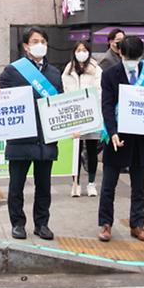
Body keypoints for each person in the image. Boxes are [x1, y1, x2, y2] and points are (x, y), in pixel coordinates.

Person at [0, 27, 63, 240]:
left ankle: (42, 224)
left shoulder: (54, 73)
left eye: (43, 41)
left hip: (45, 139)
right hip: (20, 138)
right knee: (16, 186)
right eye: (35, 41)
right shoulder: (13, 70)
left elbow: (61, 102)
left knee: (44, 187)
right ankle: (18, 224)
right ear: (26, 46)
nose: (40, 45)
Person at [98, 36, 144, 243]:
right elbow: (106, 106)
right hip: (116, 137)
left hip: (140, 138)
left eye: (136, 57)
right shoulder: (109, 74)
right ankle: (106, 224)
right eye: (128, 57)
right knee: (108, 185)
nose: (132, 61)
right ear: (120, 54)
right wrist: (112, 132)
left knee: (139, 186)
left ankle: (137, 224)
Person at [61, 41, 102, 198]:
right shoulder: (68, 70)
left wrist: (90, 108)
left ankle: (91, 183)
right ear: (74, 52)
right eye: (78, 50)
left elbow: (99, 91)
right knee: (75, 152)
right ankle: (75, 183)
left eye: (84, 50)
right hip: (73, 117)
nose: (81, 52)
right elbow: (64, 92)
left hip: (91, 115)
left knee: (92, 151)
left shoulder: (96, 70)